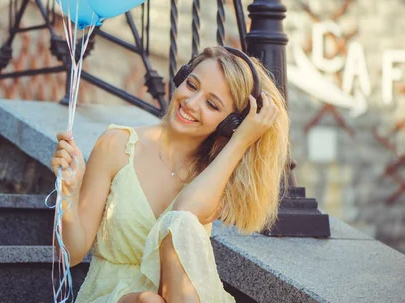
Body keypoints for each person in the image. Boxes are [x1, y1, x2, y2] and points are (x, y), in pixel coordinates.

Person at [51, 46, 290, 303]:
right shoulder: (116, 145)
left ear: (230, 124)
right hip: (114, 296)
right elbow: (71, 254)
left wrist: (240, 142)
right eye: (191, 85)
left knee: (181, 223)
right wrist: (70, 192)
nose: (191, 102)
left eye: (211, 104)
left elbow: (185, 211)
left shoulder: (213, 176)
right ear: (180, 78)